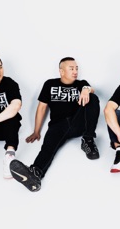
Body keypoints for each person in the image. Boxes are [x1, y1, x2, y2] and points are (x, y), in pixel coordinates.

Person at [10, 57, 100, 192]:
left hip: (77, 123)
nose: (75, 71)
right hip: (58, 125)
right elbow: (41, 108)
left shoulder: (81, 84)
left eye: (76, 68)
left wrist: (86, 89)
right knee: (47, 148)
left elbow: (90, 89)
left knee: (93, 98)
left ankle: (88, 139)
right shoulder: (50, 84)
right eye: (71, 68)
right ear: (61, 71)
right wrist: (36, 131)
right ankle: (35, 174)